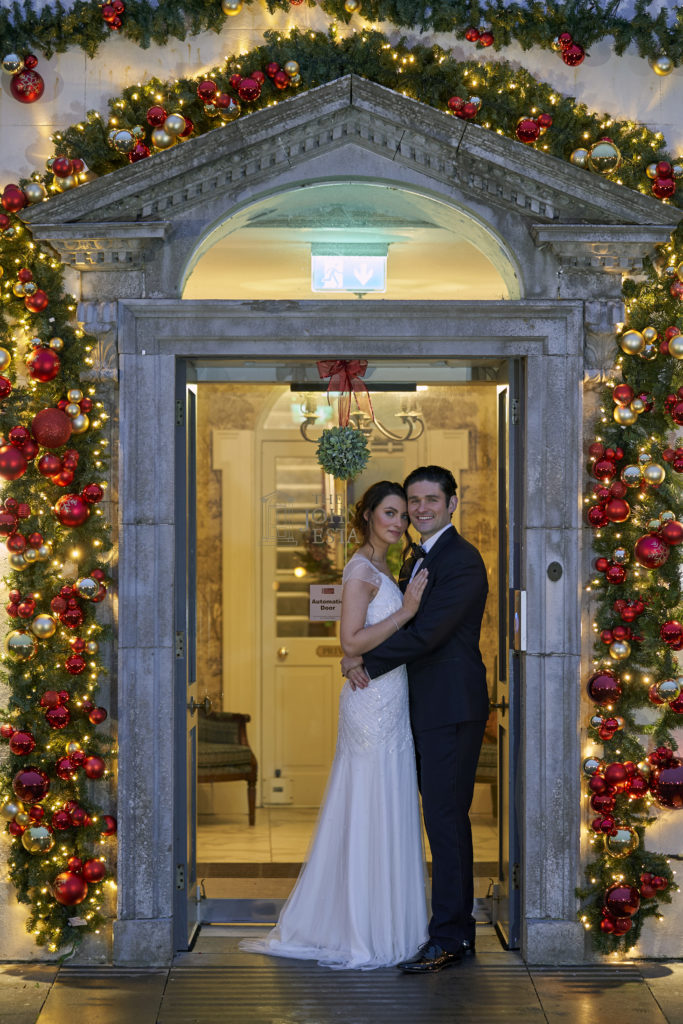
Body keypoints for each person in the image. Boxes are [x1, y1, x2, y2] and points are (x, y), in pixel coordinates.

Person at [241, 480, 430, 969]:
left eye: (403, 515)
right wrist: (407, 611)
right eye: (390, 512)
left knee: (386, 799)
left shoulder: (385, 566)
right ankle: (362, 930)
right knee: (369, 802)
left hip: (390, 698)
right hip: (371, 705)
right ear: (368, 515)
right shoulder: (361, 569)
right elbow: (350, 641)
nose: (399, 522)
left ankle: (385, 922)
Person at [341, 465, 489, 974]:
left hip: (450, 708)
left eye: (430, 500)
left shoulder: (463, 561)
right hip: (421, 708)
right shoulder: (418, 554)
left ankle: (450, 937)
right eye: (412, 502)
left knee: (445, 821)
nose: (421, 509)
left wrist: (362, 659)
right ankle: (452, 931)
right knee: (438, 819)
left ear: (452, 502)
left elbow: (428, 634)